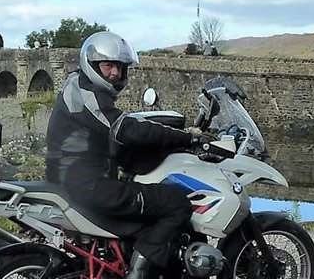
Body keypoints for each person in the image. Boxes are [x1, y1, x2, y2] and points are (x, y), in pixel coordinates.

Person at [45, 31, 209, 279]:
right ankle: (139, 273)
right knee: (176, 202)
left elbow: (109, 137)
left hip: (71, 178)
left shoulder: (77, 86)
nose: (115, 73)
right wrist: (188, 137)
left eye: (120, 67)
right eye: (108, 66)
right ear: (92, 65)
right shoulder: (87, 96)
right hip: (87, 186)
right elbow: (124, 129)